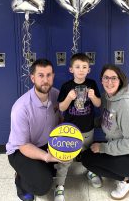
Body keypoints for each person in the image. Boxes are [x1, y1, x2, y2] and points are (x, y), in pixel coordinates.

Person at [81, 64, 129, 200]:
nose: (109, 82)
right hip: (126, 151)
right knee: (91, 153)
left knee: (86, 159)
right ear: (101, 80)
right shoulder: (107, 97)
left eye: (114, 78)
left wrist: (103, 148)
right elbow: (105, 120)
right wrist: (84, 122)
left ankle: (127, 179)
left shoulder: (126, 105)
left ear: (120, 80)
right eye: (106, 78)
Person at [6, 58, 62, 201]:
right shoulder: (21, 108)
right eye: (41, 75)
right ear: (33, 78)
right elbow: (24, 146)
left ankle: (37, 168)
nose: (45, 80)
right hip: (20, 150)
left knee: (60, 166)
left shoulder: (56, 95)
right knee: (43, 185)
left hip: (45, 144)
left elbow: (61, 119)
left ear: (53, 76)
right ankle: (20, 180)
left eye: (49, 75)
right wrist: (46, 157)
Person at [54, 53, 101, 201]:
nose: (81, 70)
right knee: (65, 158)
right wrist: (69, 97)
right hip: (70, 130)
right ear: (71, 70)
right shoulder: (66, 86)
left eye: (84, 67)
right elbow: (61, 107)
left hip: (88, 129)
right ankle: (59, 186)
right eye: (77, 67)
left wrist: (93, 97)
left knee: (88, 153)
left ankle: (91, 171)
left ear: (89, 70)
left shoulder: (92, 84)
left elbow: (98, 104)